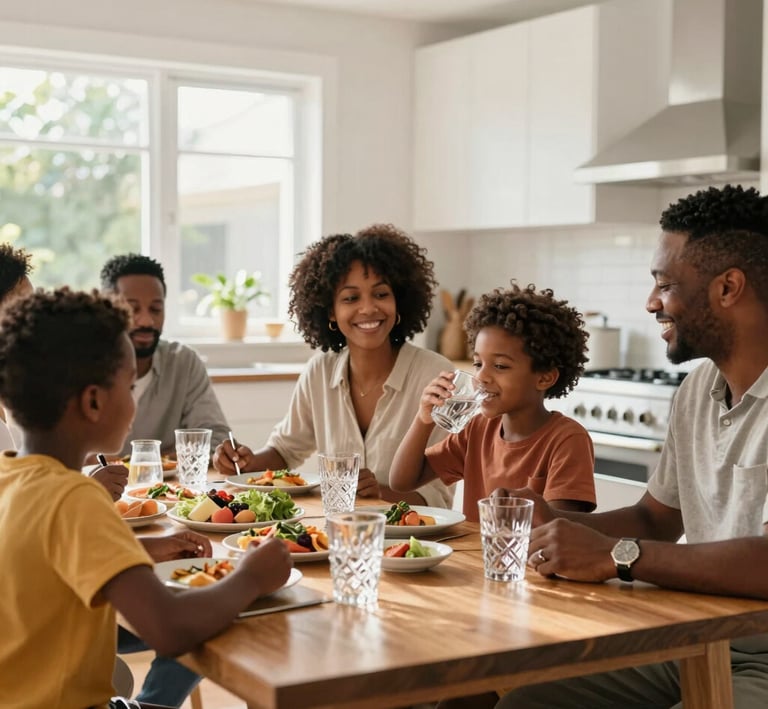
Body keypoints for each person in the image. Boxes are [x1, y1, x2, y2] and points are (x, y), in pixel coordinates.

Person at [494, 184, 768, 709]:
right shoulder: (697, 390)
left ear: (728, 287)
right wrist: (556, 524)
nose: (651, 302)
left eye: (664, 284)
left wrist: (620, 557)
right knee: (525, 704)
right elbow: (654, 518)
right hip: (697, 635)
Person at [0, 287, 292, 708]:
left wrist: (137, 549)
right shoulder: (75, 497)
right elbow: (169, 629)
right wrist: (250, 576)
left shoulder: (11, 478)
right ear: (94, 400)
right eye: (129, 385)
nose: (133, 403)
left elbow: (45, 563)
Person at [214, 223, 454, 508]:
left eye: (381, 294)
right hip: (337, 531)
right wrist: (246, 461)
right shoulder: (319, 372)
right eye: (351, 298)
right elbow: (284, 450)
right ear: (330, 311)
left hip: (417, 545)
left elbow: (439, 497)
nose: (368, 309)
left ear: (399, 301)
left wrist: (382, 493)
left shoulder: (434, 377)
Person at [390, 282, 597, 523]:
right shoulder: (477, 430)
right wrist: (423, 419)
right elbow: (402, 481)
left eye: (500, 366)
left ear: (545, 377)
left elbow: (561, 531)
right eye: (478, 364)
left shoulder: (567, 440)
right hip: (473, 560)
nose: (481, 377)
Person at [100, 253, 229, 458]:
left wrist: (144, 462)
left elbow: (216, 439)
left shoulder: (183, 362)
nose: (147, 321)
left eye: (156, 309)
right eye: (133, 309)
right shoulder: (82, 364)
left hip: (168, 488)